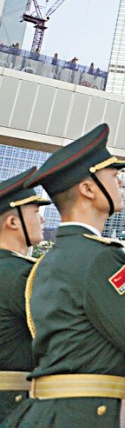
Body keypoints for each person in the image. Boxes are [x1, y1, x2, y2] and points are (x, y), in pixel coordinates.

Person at [3, 123, 125, 428]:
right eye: (114, 176)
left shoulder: (52, 259)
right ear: (87, 189)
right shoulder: (98, 257)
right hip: (79, 417)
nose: (121, 183)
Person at [0, 168, 48, 422]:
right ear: (13, 222)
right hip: (13, 408)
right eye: (36, 212)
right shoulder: (24, 275)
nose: (42, 220)